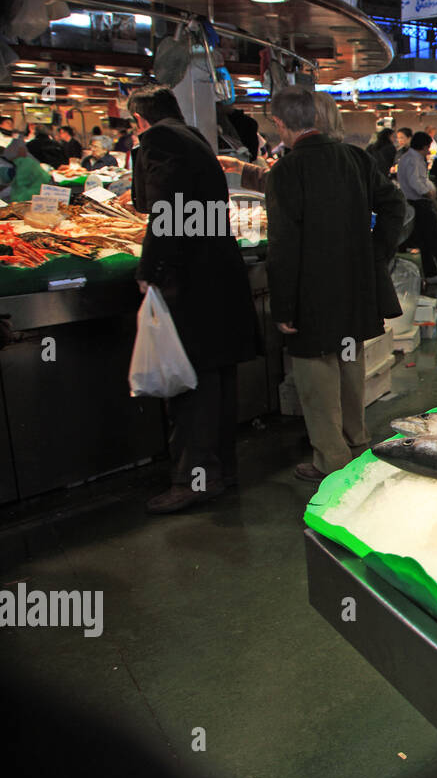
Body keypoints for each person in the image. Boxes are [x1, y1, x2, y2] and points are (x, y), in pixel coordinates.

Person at [128, 85, 261, 513]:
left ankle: (195, 480)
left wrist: (149, 272)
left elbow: (163, 208)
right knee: (217, 383)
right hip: (220, 277)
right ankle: (222, 471)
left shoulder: (159, 140)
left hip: (190, 285)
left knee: (190, 385)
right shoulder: (196, 139)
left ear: (141, 119)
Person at [265, 86, 406, 484]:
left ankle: (331, 459)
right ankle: (357, 442)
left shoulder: (287, 171)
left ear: (280, 124)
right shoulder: (356, 158)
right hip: (356, 284)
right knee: (349, 361)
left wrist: (284, 307)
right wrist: (375, 251)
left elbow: (284, 245)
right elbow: (395, 204)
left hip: (311, 290)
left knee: (316, 371)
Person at [399, 131, 437, 287]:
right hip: (421, 204)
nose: (429, 151)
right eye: (428, 147)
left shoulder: (408, 158)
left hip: (415, 203)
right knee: (435, 239)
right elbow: (416, 181)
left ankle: (432, 274)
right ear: (424, 146)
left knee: (426, 242)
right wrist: (429, 192)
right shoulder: (414, 160)